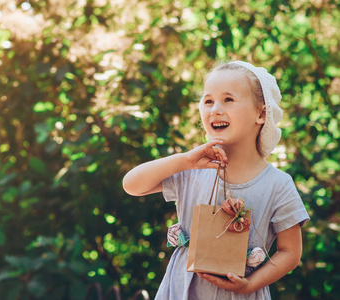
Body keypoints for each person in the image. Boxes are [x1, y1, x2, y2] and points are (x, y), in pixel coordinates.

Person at [122, 61, 310, 299]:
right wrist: (185, 160)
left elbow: (290, 252)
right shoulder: (192, 168)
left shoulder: (278, 184)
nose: (215, 109)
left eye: (228, 100)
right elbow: (132, 185)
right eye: (208, 100)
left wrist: (250, 285)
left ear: (261, 113)